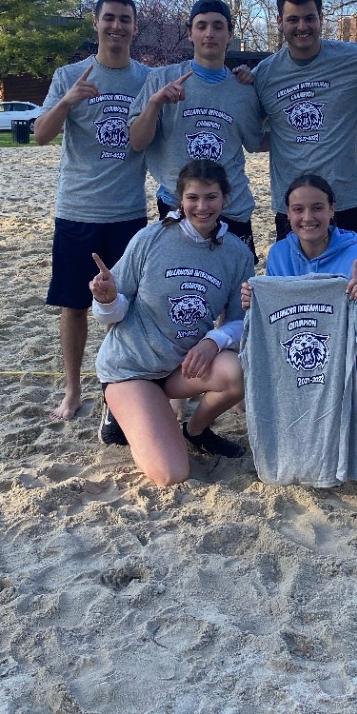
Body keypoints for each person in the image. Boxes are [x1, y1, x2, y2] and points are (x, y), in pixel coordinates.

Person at [243, 172, 357, 473]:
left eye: (317, 208)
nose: (308, 217)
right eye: (298, 209)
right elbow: (276, 330)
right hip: (322, 373)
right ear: (287, 213)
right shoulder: (279, 257)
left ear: (331, 210)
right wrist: (254, 306)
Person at [92, 160, 254, 487]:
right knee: (171, 474)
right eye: (193, 198)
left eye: (211, 197)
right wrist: (106, 299)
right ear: (180, 200)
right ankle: (120, 407)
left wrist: (213, 341)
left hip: (181, 368)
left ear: (225, 199)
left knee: (236, 370)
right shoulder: (151, 239)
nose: (202, 206)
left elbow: (241, 323)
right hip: (133, 367)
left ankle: (194, 430)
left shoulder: (237, 253)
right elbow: (111, 314)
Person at [36, 0, 150, 422]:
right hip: (77, 210)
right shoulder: (69, 75)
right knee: (74, 303)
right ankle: (71, 390)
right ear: (96, 23)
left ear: (134, 27)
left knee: (125, 307)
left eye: (125, 20)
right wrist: (68, 101)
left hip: (128, 212)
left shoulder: (146, 77)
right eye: (109, 19)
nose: (116, 26)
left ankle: (120, 389)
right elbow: (41, 135)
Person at [127, 0, 263, 256]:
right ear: (189, 32)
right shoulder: (161, 79)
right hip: (179, 205)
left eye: (217, 26)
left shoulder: (243, 90)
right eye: (201, 26)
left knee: (234, 289)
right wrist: (155, 103)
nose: (209, 33)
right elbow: (136, 141)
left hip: (232, 207)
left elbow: (254, 142)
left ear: (230, 34)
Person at [250, 0, 357, 247]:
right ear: (279, 21)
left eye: (309, 18)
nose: (302, 27)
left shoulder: (355, 59)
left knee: (350, 285)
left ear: (321, 18)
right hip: (293, 206)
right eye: (293, 19)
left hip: (346, 201)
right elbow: (249, 134)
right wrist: (281, 139)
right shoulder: (264, 74)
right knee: (296, 286)